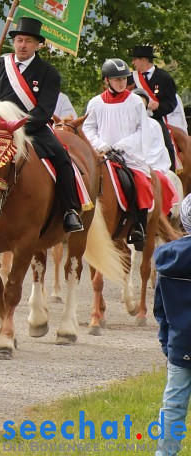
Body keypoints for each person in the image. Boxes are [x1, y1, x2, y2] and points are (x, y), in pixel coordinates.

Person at [0, 16, 84, 234]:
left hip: (32, 129)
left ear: (37, 45)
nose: (23, 45)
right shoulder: (1, 64)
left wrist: (17, 129)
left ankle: (70, 209)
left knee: (62, 158)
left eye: (28, 41)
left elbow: (45, 110)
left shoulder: (49, 72)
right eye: (19, 40)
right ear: (14, 42)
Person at [82, 59, 151, 249]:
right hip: (102, 155)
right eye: (117, 79)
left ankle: (139, 227)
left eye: (123, 79)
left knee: (142, 183)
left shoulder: (136, 101)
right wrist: (100, 144)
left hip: (128, 156)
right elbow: (88, 128)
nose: (121, 82)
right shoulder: (95, 103)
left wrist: (123, 145)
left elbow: (142, 130)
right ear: (107, 80)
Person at [151, 199, 191, 456]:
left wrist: (167, 344)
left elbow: (160, 309)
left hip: (180, 345)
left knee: (173, 406)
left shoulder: (167, 258)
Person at [131, 45, 180, 170]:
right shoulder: (130, 78)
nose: (133, 62)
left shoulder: (164, 78)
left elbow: (171, 102)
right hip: (134, 119)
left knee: (167, 145)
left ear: (143, 60)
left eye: (135, 59)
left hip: (155, 119)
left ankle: (171, 174)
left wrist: (156, 109)